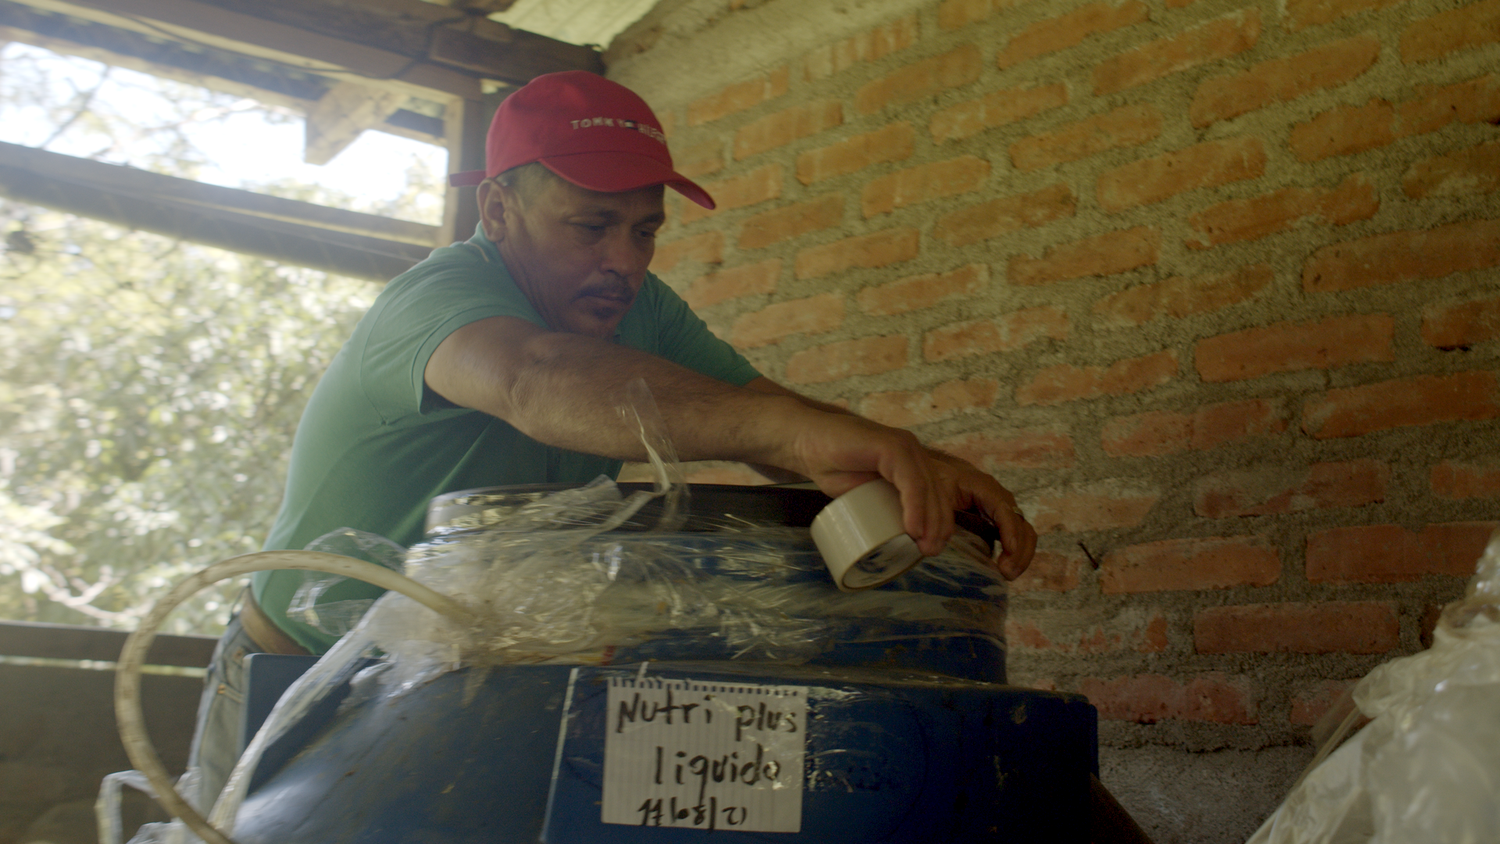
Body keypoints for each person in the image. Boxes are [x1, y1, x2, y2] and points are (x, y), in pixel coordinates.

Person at [186, 70, 1037, 809]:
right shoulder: (442, 296)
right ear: (498, 208)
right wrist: (805, 435)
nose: (623, 261)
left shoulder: (639, 307)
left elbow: (756, 410)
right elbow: (537, 381)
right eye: (590, 226)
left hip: (444, 682)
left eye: (645, 230)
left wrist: (914, 462)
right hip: (293, 674)